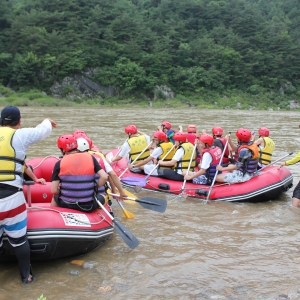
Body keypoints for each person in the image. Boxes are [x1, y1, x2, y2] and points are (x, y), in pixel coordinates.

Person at [0, 105, 56, 284]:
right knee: (19, 241)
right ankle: (26, 277)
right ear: (19, 122)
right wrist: (47, 121)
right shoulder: (20, 136)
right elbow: (42, 131)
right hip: (11, 199)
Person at [51, 134, 108, 212]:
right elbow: (104, 177)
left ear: (63, 149)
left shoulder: (59, 163)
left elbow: (54, 190)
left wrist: (65, 192)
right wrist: (95, 187)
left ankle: (54, 216)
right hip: (89, 205)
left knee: (55, 197)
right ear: (76, 145)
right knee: (103, 196)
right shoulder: (91, 158)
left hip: (66, 204)